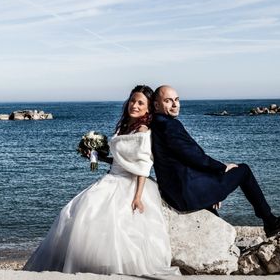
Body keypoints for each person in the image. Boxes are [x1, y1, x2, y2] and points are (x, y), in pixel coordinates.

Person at [23, 85, 180, 276]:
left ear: (148, 108)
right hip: (111, 177)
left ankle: (109, 269)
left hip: (130, 183)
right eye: (132, 100)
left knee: (116, 228)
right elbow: (121, 159)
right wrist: (96, 154)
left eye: (140, 103)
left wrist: (138, 197)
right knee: (73, 213)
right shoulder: (125, 127)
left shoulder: (143, 129)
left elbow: (143, 165)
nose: (135, 105)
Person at [151, 85, 280, 237]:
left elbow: (183, 161)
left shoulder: (156, 124)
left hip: (176, 192)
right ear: (156, 105)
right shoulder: (169, 125)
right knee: (243, 171)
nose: (175, 104)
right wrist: (221, 168)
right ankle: (270, 222)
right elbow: (194, 157)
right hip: (186, 194)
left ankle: (222, 237)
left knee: (214, 194)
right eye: (168, 101)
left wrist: (212, 189)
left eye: (177, 99)